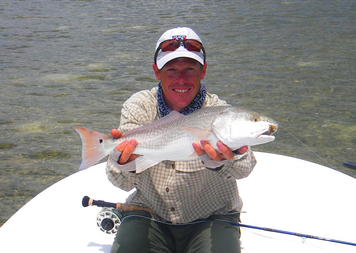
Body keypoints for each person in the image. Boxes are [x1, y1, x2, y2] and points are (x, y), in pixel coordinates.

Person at [106, 27, 257, 253]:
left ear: (203, 71)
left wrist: (226, 162)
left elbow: (246, 165)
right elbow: (122, 182)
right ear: (156, 72)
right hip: (149, 213)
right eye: (171, 70)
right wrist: (125, 164)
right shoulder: (138, 108)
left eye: (189, 68)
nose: (181, 79)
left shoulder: (221, 112)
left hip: (211, 217)